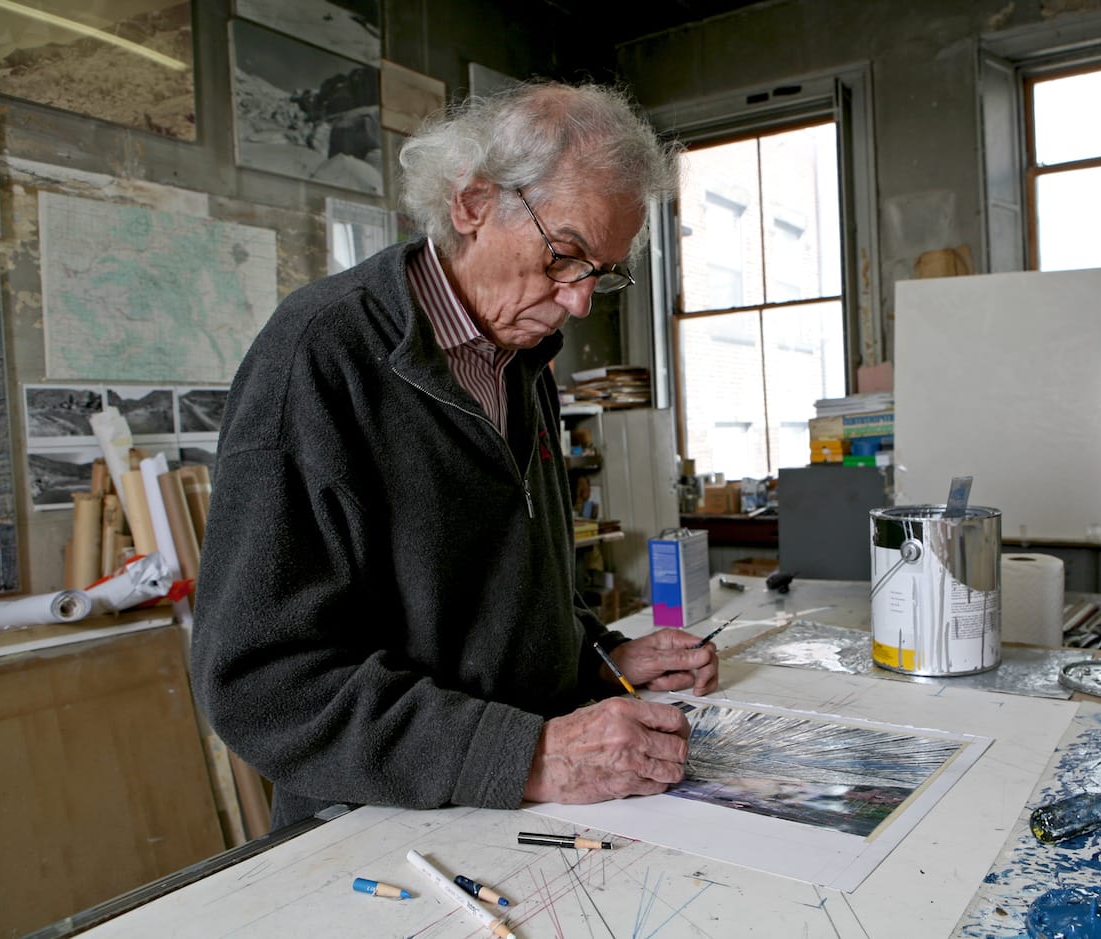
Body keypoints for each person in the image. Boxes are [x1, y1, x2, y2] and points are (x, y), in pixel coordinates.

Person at [190, 80, 718, 830]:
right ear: (471, 204)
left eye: (600, 271)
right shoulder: (320, 355)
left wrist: (599, 659)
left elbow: (499, 592)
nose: (579, 302)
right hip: (381, 827)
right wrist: (531, 752)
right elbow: (262, 682)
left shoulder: (518, 357)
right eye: (565, 256)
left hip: (517, 810)